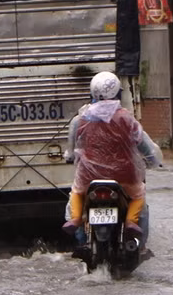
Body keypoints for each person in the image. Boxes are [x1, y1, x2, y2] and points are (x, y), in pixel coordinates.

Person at [63, 71, 162, 237]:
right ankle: (132, 224)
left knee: (77, 192)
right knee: (138, 196)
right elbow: (146, 147)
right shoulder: (127, 119)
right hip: (125, 176)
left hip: (89, 177)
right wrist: (153, 161)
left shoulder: (80, 119)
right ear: (118, 93)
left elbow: (71, 152)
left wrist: (70, 158)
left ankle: (75, 220)